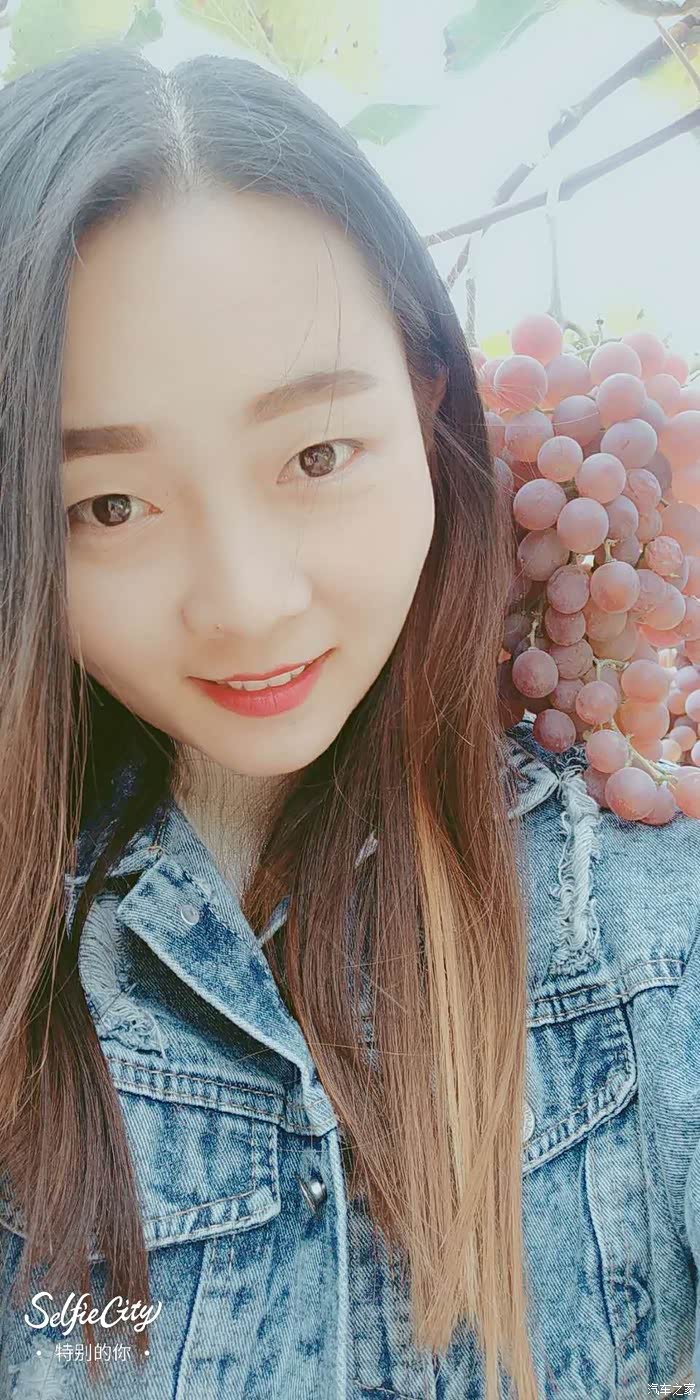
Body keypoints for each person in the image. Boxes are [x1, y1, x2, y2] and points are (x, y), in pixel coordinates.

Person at [0, 44, 698, 1400]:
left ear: (430, 401)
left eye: (317, 455)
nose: (249, 604)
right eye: (109, 506)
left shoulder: (636, 920)